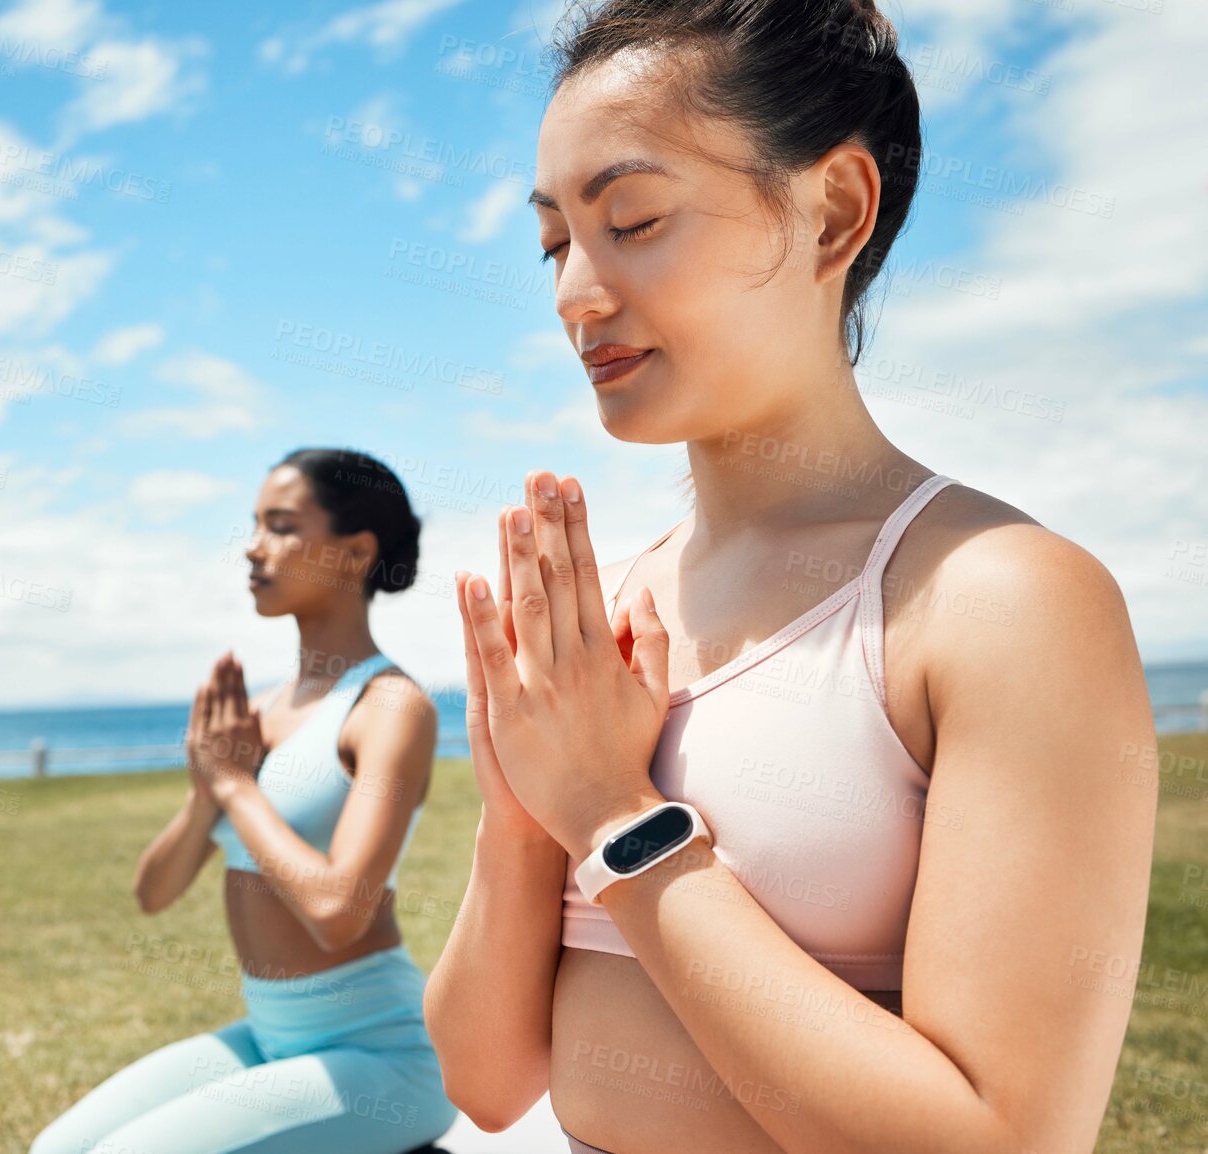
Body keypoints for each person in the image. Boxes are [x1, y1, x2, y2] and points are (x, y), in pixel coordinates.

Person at [423, 3, 1158, 1153]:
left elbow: (996, 1136)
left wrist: (616, 815)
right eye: (555, 241)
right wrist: (528, 814)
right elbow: (487, 1077)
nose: (573, 295)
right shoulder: (602, 614)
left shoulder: (998, 600)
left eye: (634, 218)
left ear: (833, 212)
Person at [28, 446, 458, 1154]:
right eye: (254, 526)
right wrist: (209, 790)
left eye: (282, 527)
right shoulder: (254, 719)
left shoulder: (391, 707)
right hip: (269, 1035)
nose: (253, 549)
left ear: (354, 554)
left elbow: (338, 913)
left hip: (384, 1057)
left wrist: (234, 785)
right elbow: (154, 891)